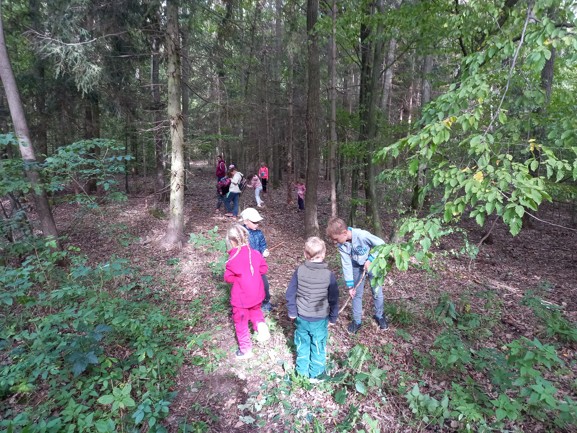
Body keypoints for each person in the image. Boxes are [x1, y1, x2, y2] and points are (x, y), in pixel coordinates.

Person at [286, 237, 339, 380]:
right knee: (318, 345)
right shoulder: (329, 275)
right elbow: (334, 298)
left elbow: (290, 293)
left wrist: (292, 312)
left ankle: (301, 373)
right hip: (319, 319)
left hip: (301, 317)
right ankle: (316, 375)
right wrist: (333, 317)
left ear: (305, 254)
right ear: (324, 254)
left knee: (302, 344)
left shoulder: (300, 271)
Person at [326, 217, 389, 334]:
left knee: (377, 291)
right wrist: (350, 286)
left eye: (336, 239)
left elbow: (382, 245)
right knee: (356, 294)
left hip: (373, 265)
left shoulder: (362, 235)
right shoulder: (342, 245)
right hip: (356, 266)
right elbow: (346, 264)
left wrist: (370, 259)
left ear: (344, 233)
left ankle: (379, 316)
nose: (335, 242)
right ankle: (357, 321)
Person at [224, 224, 271, 359]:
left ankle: (245, 350)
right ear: (246, 237)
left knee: (241, 322)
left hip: (241, 298)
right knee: (256, 311)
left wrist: (240, 278)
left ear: (231, 241)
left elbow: (228, 278)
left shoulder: (232, 260)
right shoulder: (256, 253)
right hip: (257, 293)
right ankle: (261, 326)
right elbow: (263, 269)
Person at [239, 208, 274, 312]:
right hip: (246, 267)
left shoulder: (259, 233)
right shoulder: (241, 234)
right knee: (249, 287)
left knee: (264, 284)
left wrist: (264, 251)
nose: (257, 224)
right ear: (246, 221)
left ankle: (265, 302)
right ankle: (249, 305)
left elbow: (263, 245)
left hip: (258, 265)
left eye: (258, 222)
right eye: (254, 222)